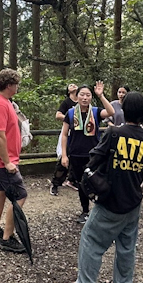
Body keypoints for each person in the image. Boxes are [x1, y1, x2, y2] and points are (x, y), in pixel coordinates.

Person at [57, 92, 143, 283]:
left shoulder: (114, 133)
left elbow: (94, 158)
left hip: (110, 198)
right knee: (127, 244)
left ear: (125, 110)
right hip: (133, 200)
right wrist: (139, 188)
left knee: (91, 237)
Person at [0, 68, 27, 253]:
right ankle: (7, 237)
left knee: (1, 191)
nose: (18, 87)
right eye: (16, 84)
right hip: (3, 161)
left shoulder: (5, 102)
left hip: (6, 159)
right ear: (9, 85)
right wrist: (7, 161)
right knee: (20, 195)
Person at [59, 84, 108, 222]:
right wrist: (64, 155)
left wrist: (101, 95)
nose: (84, 98)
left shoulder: (96, 111)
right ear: (77, 96)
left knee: (97, 181)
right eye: (82, 94)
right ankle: (85, 210)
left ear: (91, 97)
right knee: (81, 183)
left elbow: (111, 112)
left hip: (94, 154)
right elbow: (64, 134)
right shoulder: (70, 113)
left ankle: (101, 209)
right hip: (76, 153)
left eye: (88, 95)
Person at [49, 81, 79, 196]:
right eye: (70, 85)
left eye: (74, 84)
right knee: (63, 159)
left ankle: (73, 180)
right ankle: (55, 183)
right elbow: (58, 115)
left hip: (79, 134)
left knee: (77, 158)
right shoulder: (67, 102)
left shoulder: (82, 102)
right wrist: (70, 118)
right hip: (68, 132)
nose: (73, 85)